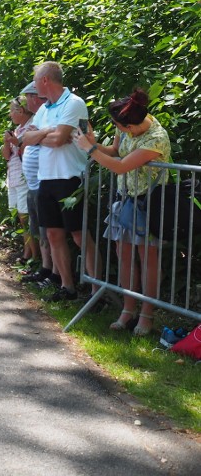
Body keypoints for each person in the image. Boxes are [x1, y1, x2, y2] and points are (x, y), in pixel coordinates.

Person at [74, 89, 171, 336]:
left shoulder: (156, 138)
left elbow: (120, 167)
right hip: (124, 199)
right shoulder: (127, 124)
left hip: (148, 204)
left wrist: (90, 150)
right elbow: (116, 152)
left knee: (148, 258)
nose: (117, 129)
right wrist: (94, 143)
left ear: (130, 125)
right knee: (124, 254)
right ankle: (127, 311)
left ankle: (147, 315)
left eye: (119, 126)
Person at [22, 61, 100, 302]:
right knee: (54, 235)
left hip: (69, 178)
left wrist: (42, 135)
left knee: (79, 235)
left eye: (36, 80)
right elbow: (27, 137)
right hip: (45, 178)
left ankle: (96, 292)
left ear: (45, 80)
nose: (34, 86)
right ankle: (68, 287)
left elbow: (60, 140)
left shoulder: (74, 103)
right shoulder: (44, 109)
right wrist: (48, 132)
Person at [17, 82, 54, 285]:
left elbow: (33, 139)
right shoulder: (40, 116)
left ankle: (52, 272)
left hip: (43, 183)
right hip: (33, 185)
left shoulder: (47, 115)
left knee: (48, 230)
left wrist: (35, 136)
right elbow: (26, 139)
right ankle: (44, 268)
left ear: (35, 97)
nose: (26, 102)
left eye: (28, 97)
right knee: (38, 229)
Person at [2, 96, 36, 261]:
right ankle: (27, 253)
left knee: (26, 218)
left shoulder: (32, 126)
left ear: (20, 111)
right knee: (21, 218)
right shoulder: (17, 129)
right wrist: (7, 142)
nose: (10, 115)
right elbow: (6, 156)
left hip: (24, 178)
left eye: (11, 111)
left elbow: (27, 150)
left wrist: (15, 141)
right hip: (13, 176)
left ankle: (32, 256)